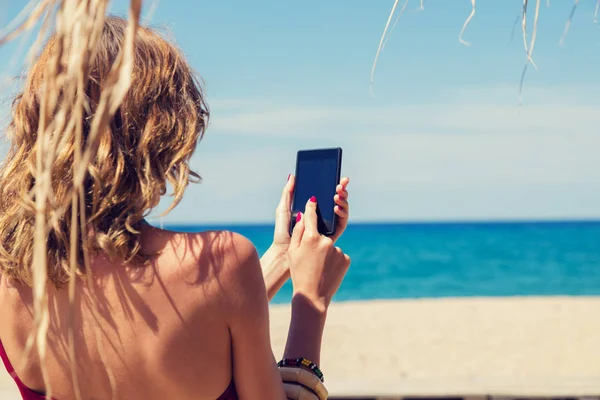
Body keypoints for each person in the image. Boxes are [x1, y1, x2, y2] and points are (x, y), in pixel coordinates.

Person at [0, 16, 351, 400]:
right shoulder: (224, 261)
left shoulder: (11, 273)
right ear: (160, 131)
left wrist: (283, 256)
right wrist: (310, 303)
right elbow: (186, 315)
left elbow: (180, 321)